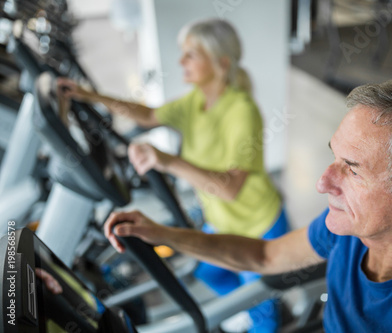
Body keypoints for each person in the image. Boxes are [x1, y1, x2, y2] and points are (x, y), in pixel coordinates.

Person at [104, 79, 392, 332]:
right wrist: (159, 233)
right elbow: (262, 255)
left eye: (353, 170)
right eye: (334, 157)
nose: (322, 182)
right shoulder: (350, 230)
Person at [58, 19, 288, 332]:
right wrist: (88, 96)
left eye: (191, 55)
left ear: (220, 63)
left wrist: (167, 161)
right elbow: (147, 115)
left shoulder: (241, 111)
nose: (181, 61)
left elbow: (231, 188)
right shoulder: (196, 100)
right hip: (221, 221)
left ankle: (264, 311)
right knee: (210, 273)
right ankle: (254, 305)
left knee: (263, 310)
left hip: (256, 226)